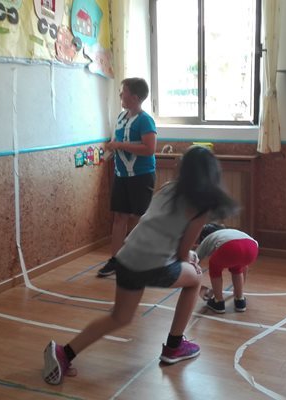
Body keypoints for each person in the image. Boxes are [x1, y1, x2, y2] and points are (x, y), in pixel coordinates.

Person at [43, 146, 238, 385]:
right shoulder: (200, 207)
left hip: (127, 257)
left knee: (119, 317)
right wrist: (191, 259)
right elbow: (181, 253)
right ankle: (174, 346)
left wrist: (185, 256)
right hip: (153, 265)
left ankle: (65, 353)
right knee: (195, 279)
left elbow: (161, 231)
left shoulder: (168, 188)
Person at [97, 78, 157, 277]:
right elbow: (117, 142)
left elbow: (149, 149)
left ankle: (142, 261)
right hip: (121, 175)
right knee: (119, 217)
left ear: (135, 97)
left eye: (124, 92)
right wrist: (109, 150)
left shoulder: (145, 120)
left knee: (141, 218)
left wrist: (120, 146)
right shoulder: (121, 117)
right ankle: (116, 260)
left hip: (141, 176)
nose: (120, 95)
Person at [195, 223, 258, 313]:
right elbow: (245, 268)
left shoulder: (208, 239)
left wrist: (197, 286)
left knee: (214, 267)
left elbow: (194, 258)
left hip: (230, 247)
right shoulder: (230, 232)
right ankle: (240, 300)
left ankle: (218, 302)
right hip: (252, 247)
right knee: (237, 267)